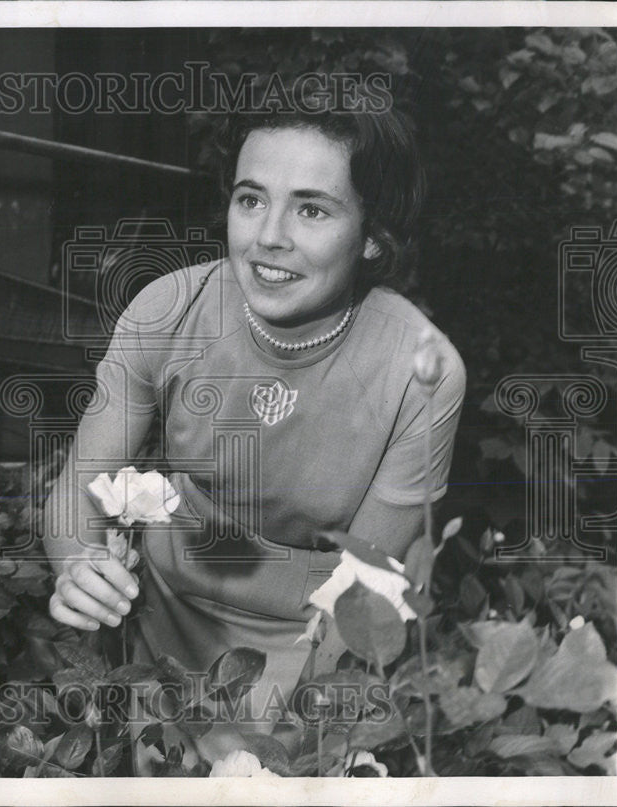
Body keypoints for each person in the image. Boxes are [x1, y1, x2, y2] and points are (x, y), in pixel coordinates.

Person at [42, 93, 466, 767]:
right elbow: (76, 491)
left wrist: (287, 747)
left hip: (319, 644)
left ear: (373, 233)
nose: (269, 235)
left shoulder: (420, 367)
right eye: (250, 199)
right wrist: (77, 566)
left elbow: (365, 590)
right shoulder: (167, 310)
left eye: (312, 208)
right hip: (166, 629)